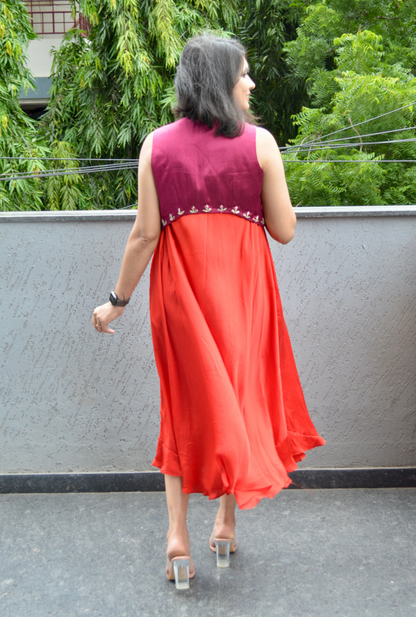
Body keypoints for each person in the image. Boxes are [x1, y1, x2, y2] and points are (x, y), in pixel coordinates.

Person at [92, 34, 325, 590]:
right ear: (221, 81)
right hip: (243, 294)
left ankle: (178, 539)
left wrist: (117, 302)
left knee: (182, 406)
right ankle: (223, 525)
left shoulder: (155, 145)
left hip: (179, 293)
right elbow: (286, 231)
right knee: (237, 403)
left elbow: (144, 234)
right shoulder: (261, 143)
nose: (251, 83)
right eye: (243, 74)